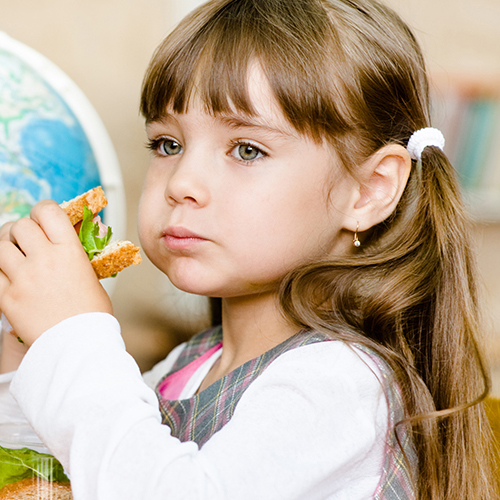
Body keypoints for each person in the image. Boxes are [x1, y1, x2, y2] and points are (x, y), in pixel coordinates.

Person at [0, 0, 497, 498]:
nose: (183, 183)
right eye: (168, 145)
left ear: (368, 190)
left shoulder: (343, 381)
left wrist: (70, 336)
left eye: (246, 150)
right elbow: (73, 455)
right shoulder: (186, 369)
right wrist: (23, 346)